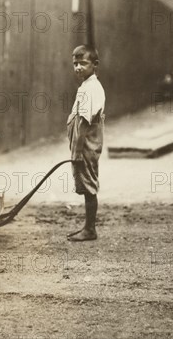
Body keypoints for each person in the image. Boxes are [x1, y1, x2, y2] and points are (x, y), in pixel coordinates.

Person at [66, 45, 105, 241]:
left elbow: (83, 122)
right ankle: (88, 227)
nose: (78, 67)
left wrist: (77, 152)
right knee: (85, 184)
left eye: (83, 63)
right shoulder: (85, 86)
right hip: (83, 145)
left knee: (88, 186)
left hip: (86, 146)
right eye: (75, 64)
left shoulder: (92, 88)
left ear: (95, 65)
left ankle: (90, 229)